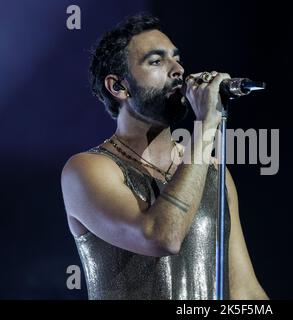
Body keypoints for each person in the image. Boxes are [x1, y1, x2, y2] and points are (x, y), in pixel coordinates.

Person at [60, 13, 268, 300]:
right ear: (119, 86)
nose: (178, 70)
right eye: (157, 61)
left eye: (176, 58)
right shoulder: (86, 170)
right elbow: (161, 236)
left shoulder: (214, 172)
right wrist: (206, 125)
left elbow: (244, 289)